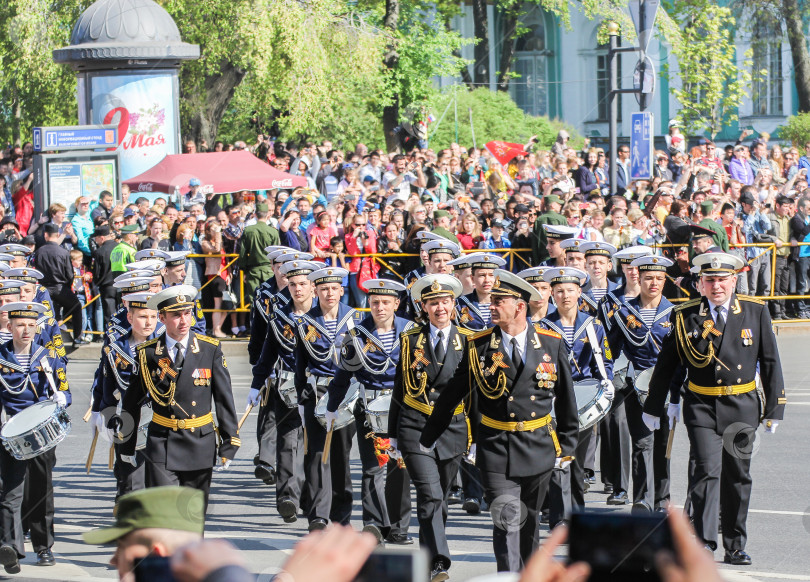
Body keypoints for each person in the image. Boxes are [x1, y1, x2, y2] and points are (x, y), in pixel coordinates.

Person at [420, 270, 578, 572]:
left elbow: (567, 400)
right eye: (491, 301)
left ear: (519, 306)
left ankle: (529, 575)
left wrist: (568, 446)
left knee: (530, 520)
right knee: (507, 519)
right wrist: (427, 440)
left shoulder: (550, 343)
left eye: (498, 301)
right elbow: (452, 394)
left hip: (538, 446)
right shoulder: (479, 346)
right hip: (496, 447)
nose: (490, 307)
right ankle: (508, 576)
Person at [643, 252, 785, 565]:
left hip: (742, 406)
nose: (717, 285)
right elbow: (667, 365)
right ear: (700, 284)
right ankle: (703, 543)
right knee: (704, 470)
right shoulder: (685, 315)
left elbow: (771, 361)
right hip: (702, 405)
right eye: (710, 280)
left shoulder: (754, 311)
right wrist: (654, 406)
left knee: (738, 475)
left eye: (722, 279)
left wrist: (775, 407)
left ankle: (735, 544)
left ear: (734, 281)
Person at [119, 286, 240, 510]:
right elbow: (131, 403)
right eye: (176, 315)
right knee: (165, 514)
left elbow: (224, 398)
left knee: (192, 518)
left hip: (199, 442)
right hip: (162, 441)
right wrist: (126, 446)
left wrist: (229, 440)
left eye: (187, 313)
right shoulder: (147, 353)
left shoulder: (209, 349)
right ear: (162, 318)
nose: (184, 320)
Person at [388, 274, 472, 582]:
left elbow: (476, 393)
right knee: (430, 494)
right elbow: (400, 387)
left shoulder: (469, 340)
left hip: (453, 427)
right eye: (433, 303)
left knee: (441, 499)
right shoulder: (411, 340)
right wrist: (393, 434)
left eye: (444, 302)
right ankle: (440, 561)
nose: (439, 308)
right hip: (416, 425)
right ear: (423, 306)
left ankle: (428, 562)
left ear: (453, 304)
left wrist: (477, 436)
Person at [325, 279, 415, 543]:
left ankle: (398, 528)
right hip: (370, 410)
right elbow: (343, 375)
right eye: (375, 302)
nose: (380, 307)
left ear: (396, 304)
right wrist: (332, 406)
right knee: (373, 467)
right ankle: (374, 525)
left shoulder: (410, 332)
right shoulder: (358, 335)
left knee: (399, 466)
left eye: (386, 302)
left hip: (401, 408)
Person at [605, 256, 683, 513]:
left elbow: (682, 355)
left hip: (666, 387)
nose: (654, 283)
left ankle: (661, 499)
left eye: (660, 278)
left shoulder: (675, 313)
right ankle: (642, 499)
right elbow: (611, 350)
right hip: (635, 386)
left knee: (662, 444)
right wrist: (606, 377)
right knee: (641, 442)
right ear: (639, 278)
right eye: (649, 277)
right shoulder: (624, 313)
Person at [539, 267, 614, 528]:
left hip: (582, 399)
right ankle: (559, 516)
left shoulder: (592, 325)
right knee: (558, 458)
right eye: (559, 291)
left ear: (579, 292)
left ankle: (578, 513)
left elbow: (603, 363)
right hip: (553, 398)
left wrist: (604, 387)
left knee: (578, 462)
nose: (565, 296)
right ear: (552, 295)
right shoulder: (542, 328)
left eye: (570, 290)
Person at [0, 302, 70, 572]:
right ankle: (11, 548)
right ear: (10, 327)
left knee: (41, 490)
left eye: (31, 325)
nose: (26, 330)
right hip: (10, 433)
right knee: (10, 492)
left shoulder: (46, 357)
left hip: (41, 433)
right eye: (20, 325)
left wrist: (62, 398)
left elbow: (63, 389)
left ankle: (43, 547)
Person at [293, 267, 362, 531]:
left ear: (341, 290)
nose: (329, 293)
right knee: (317, 454)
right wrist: (301, 400)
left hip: (346, 396)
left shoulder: (356, 320)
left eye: (334, 288)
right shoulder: (306, 323)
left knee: (341, 455)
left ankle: (341, 515)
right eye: (323, 289)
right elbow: (300, 366)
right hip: (317, 391)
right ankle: (318, 515)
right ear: (315, 291)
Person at [251, 256, 318, 520]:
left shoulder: (327, 314)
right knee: (289, 443)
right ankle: (288, 497)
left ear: (313, 286)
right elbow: (267, 352)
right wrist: (257, 383)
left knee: (315, 448)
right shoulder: (280, 316)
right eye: (292, 285)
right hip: (288, 386)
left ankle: (312, 500)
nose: (297, 289)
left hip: (318, 390)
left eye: (302, 284)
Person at [92, 292, 157, 502]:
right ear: (129, 318)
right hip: (126, 419)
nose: (149, 322)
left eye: (153, 317)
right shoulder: (114, 350)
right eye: (142, 317)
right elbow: (107, 385)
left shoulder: (164, 347)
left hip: (158, 420)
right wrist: (107, 418)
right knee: (127, 475)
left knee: (154, 478)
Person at [34, 223, 83, 344]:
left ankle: (43, 339)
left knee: (44, 314)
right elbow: (70, 274)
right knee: (76, 307)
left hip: (44, 288)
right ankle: (77, 337)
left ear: (46, 235)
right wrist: (67, 286)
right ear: (57, 235)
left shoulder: (39, 251)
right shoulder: (63, 252)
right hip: (60, 287)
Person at [238, 202, 280, 309]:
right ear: (268, 215)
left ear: (255, 215)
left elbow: (242, 253)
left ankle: (255, 323)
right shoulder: (273, 232)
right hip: (269, 269)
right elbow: (277, 253)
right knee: (270, 297)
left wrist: (243, 269)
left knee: (254, 299)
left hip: (253, 269)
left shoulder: (248, 230)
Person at [456, 253, 507, 331]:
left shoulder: (506, 303)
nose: (487, 280)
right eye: (481, 275)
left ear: (497, 278)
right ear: (472, 278)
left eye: (491, 275)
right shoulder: (460, 304)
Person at [92, 226, 119, 324]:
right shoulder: (119, 247)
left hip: (107, 287)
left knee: (109, 315)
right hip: (121, 284)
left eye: (96, 238)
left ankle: (111, 337)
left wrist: (97, 282)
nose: (95, 240)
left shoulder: (99, 252)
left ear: (102, 238)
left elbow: (97, 273)